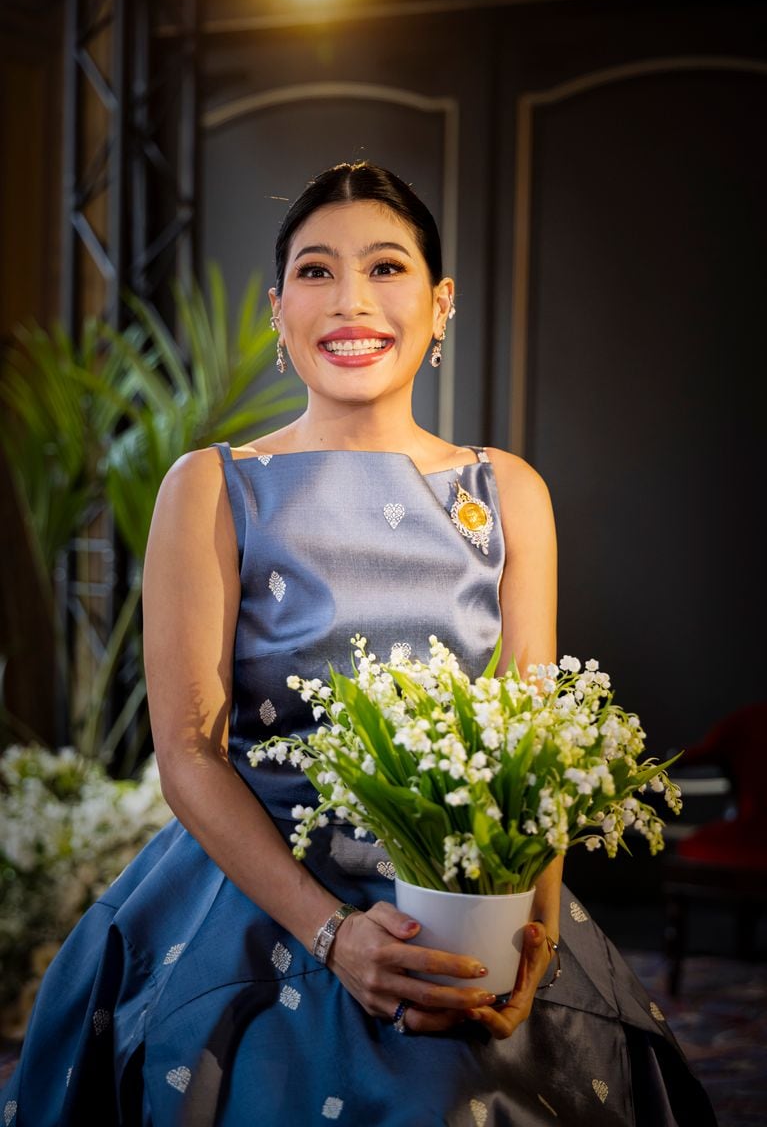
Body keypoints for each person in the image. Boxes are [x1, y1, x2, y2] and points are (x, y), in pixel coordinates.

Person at [1, 162, 717, 1126]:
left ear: (440, 302)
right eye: (315, 271)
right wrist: (334, 935)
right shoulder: (211, 486)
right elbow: (188, 754)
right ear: (276, 309)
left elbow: (536, 754)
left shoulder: (510, 492)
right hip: (257, 898)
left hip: (472, 898)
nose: (350, 301)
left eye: (385, 267)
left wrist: (533, 931)